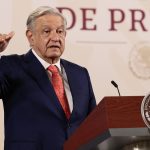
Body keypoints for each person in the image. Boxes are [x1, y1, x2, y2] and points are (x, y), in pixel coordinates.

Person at [0, 6, 96, 150]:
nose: (55, 38)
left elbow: (93, 124)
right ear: (30, 36)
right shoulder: (11, 66)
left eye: (59, 31)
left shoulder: (80, 74)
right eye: (47, 31)